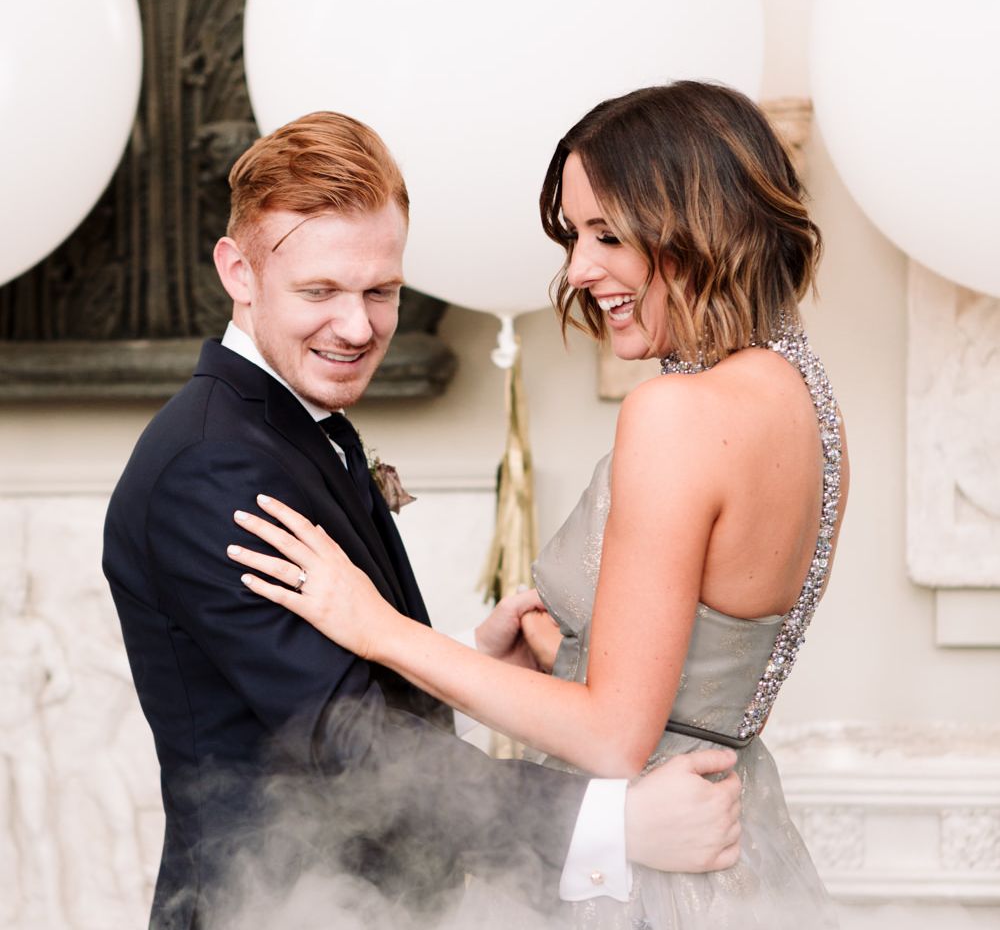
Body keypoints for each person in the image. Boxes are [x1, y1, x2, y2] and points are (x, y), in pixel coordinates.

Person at [228, 82, 850, 928]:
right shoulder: (803, 396)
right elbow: (712, 664)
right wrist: (565, 650)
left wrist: (375, 626)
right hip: (739, 841)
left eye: (606, 234)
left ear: (696, 221)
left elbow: (613, 738)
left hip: (645, 860)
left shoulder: (676, 412)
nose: (579, 269)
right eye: (573, 236)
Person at [102, 110, 743, 930]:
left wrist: (468, 665)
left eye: (381, 290)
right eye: (320, 291)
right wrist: (612, 825)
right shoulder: (211, 467)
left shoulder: (286, 423)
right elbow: (348, 746)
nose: (359, 326)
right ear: (238, 271)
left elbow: (323, 678)